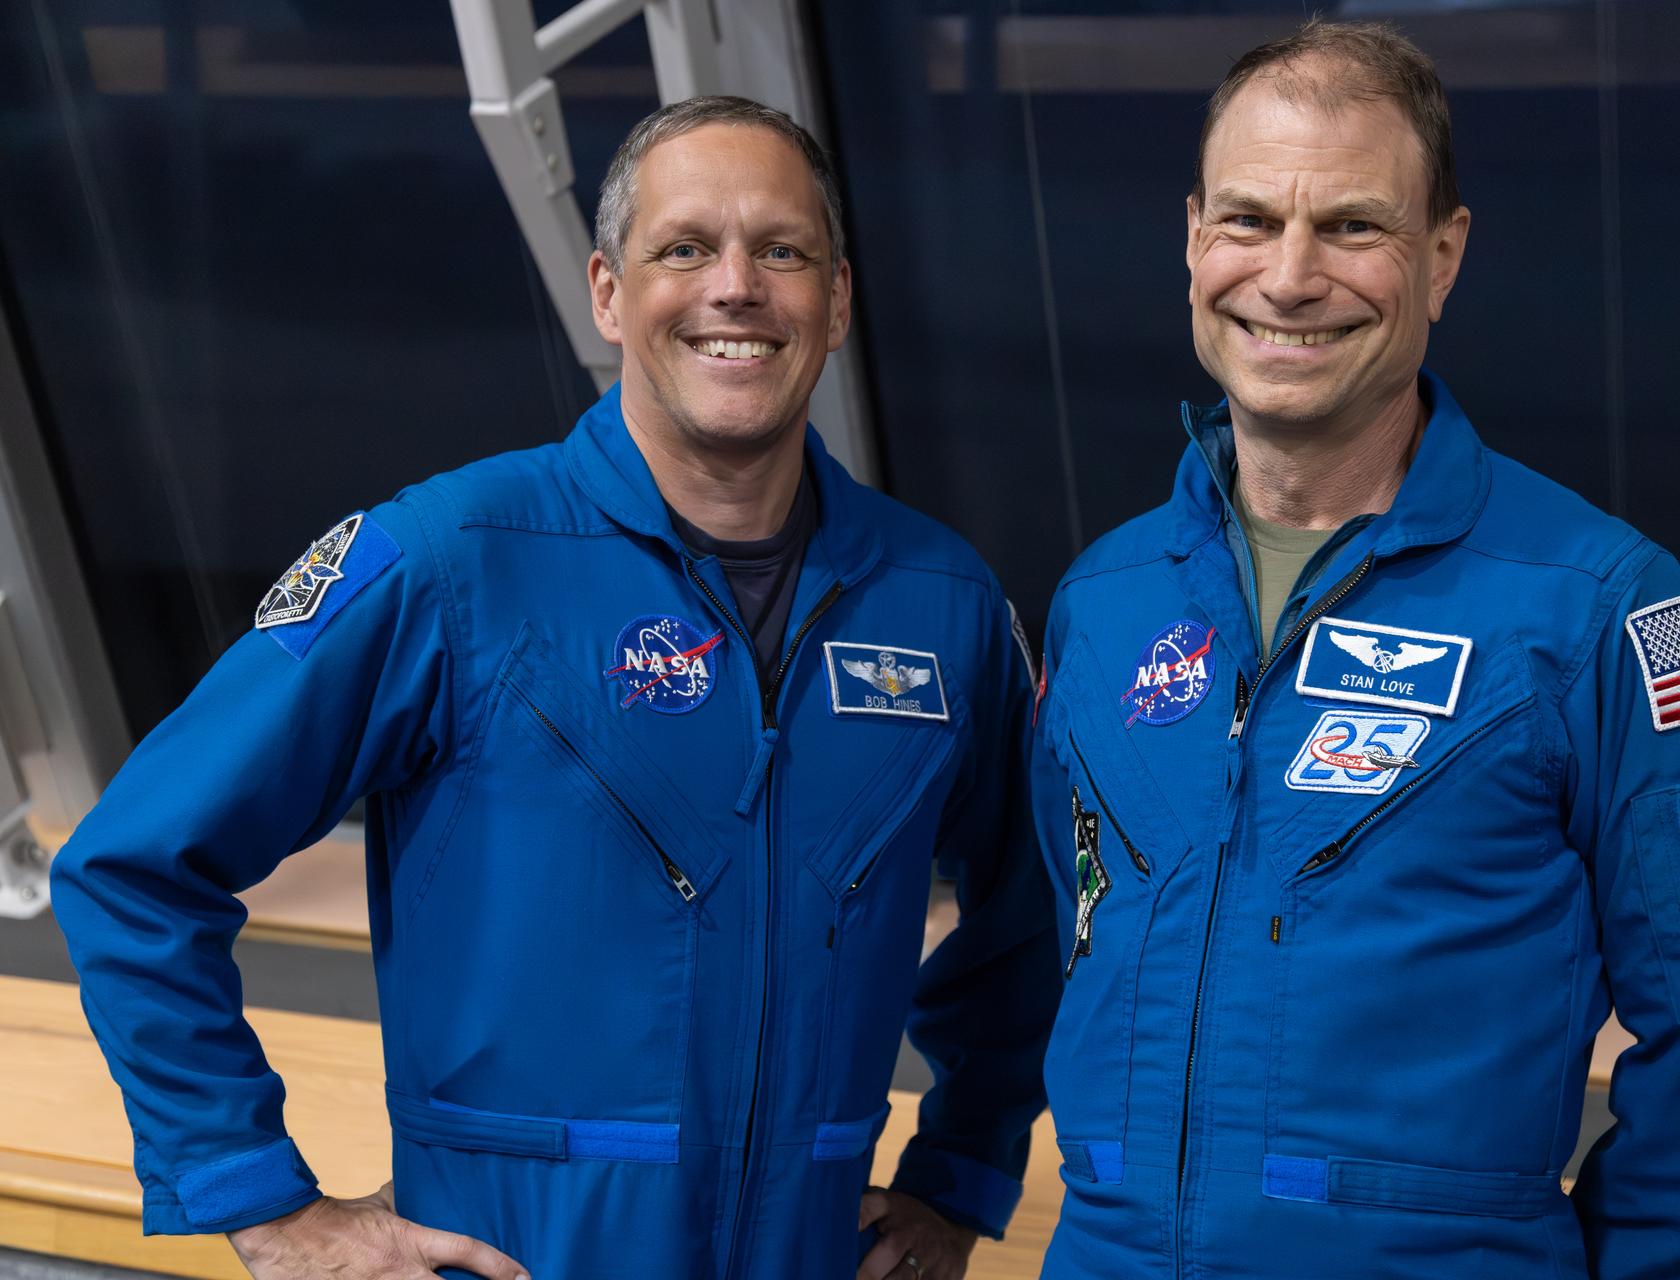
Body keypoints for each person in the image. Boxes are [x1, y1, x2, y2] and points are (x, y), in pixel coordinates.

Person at [51, 95, 1058, 1280]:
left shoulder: (941, 604)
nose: (734, 286)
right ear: (607, 293)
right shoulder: (446, 561)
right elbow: (132, 863)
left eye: (780, 250)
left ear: (835, 299)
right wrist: (262, 1201)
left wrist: (958, 1177)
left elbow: (1038, 915)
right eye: (683, 248)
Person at [1028, 21, 1680, 1279]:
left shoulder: (1601, 604)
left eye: (1351, 226)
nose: (1288, 278)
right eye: (1247, 220)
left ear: (1444, 256)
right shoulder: (1105, 600)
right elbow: (1066, 932)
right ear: (1192, 240)